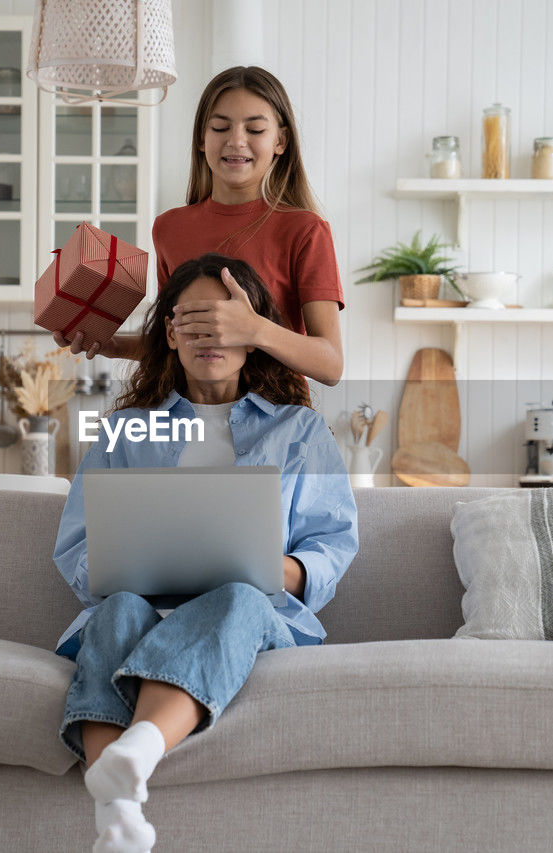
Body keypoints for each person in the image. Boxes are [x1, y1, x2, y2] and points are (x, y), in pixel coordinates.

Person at [52, 254, 358, 852]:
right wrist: (117, 566)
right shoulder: (126, 432)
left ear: (252, 333)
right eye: (191, 321)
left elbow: (333, 543)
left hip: (248, 611)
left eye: (224, 320)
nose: (209, 336)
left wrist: (280, 569)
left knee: (241, 595)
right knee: (115, 613)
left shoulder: (298, 431)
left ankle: (132, 756)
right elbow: (76, 546)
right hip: (142, 606)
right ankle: (116, 812)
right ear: (168, 333)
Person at [55, 66, 345, 387]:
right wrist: (115, 346)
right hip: (196, 421)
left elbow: (330, 365)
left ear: (281, 141)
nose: (236, 141)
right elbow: (178, 340)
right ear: (202, 140)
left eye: (255, 130)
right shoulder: (170, 227)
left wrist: (253, 328)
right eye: (220, 127)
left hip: (277, 422)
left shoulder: (305, 230)